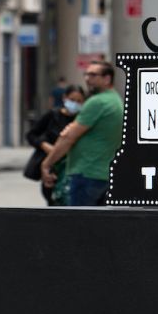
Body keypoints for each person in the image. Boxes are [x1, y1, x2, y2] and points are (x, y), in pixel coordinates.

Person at [41, 62, 123, 207]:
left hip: (87, 173)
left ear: (107, 79)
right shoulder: (115, 100)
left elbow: (68, 137)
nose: (87, 78)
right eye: (86, 74)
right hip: (104, 173)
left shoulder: (97, 102)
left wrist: (47, 164)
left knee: (78, 225)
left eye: (93, 75)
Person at [26, 85, 84, 205]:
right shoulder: (52, 115)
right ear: (65, 98)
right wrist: (44, 145)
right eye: (72, 100)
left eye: (79, 101)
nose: (75, 104)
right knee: (53, 200)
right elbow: (31, 135)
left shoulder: (82, 120)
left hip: (73, 168)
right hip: (53, 167)